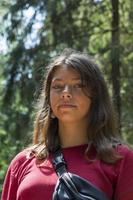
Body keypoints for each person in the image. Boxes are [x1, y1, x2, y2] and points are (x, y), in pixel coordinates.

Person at [1, 48, 133, 200]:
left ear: (96, 97)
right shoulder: (21, 163)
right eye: (57, 86)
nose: (66, 92)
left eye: (78, 85)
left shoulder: (121, 160)